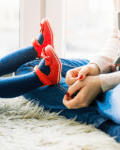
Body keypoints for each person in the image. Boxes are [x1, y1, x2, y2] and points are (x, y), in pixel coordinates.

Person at [15, 0, 120, 143]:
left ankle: (104, 123)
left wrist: (101, 84)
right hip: (114, 69)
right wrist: (94, 67)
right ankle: (103, 109)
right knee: (30, 73)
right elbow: (116, 37)